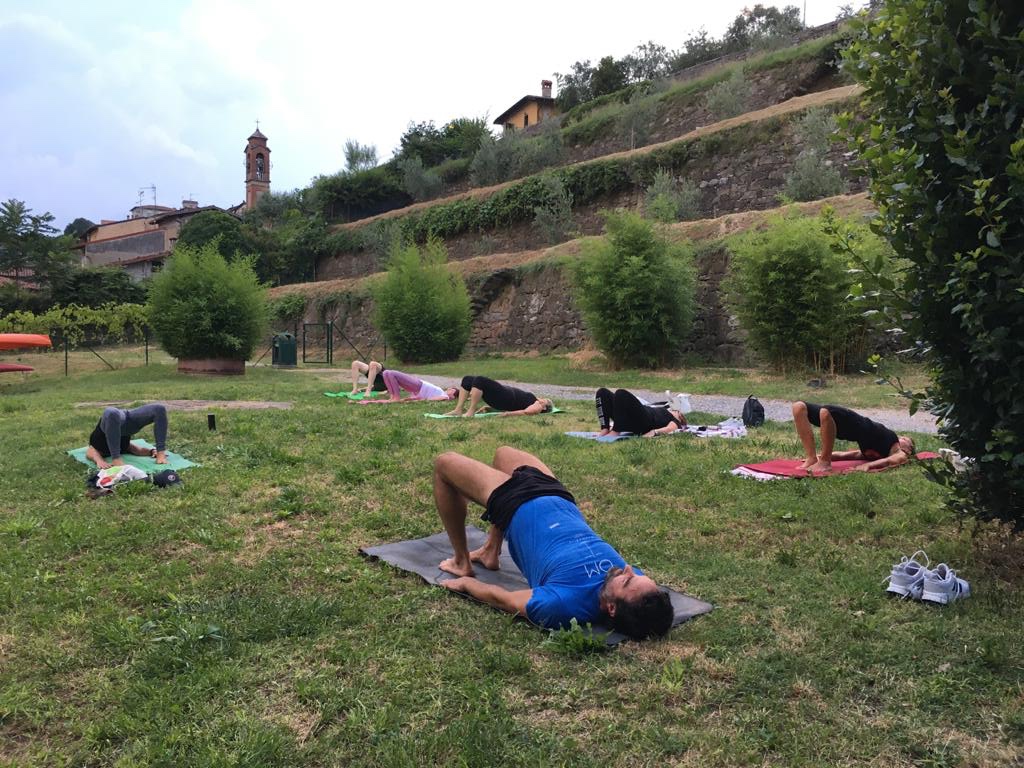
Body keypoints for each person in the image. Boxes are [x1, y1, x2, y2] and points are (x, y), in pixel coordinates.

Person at [434, 445, 674, 640]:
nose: (629, 569)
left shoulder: (561, 604)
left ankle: (461, 560)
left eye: (628, 579)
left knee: (444, 463)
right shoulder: (634, 590)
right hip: (559, 496)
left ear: (611, 608)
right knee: (503, 453)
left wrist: (466, 585)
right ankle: (491, 550)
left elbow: (502, 599)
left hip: (515, 501)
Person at [792, 401, 915, 473]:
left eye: (905, 439)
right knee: (799, 407)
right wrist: (818, 456)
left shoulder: (900, 453)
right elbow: (846, 455)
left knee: (826, 412)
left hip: (854, 431)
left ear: (909, 449)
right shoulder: (872, 452)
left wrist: (868, 466)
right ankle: (811, 458)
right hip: (862, 426)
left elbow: (889, 461)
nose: (901, 438)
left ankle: (825, 463)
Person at [85, 404, 169, 470]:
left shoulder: (100, 447)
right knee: (159, 409)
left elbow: (91, 450)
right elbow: (137, 450)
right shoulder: (124, 447)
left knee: (111, 412)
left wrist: (99, 461)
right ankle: (160, 453)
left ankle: (116, 459)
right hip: (124, 422)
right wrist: (151, 451)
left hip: (116, 418)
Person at [445, 375, 553, 417]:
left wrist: (507, 414)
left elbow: (528, 412)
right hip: (504, 397)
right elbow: (521, 407)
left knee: (480, 380)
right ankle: (458, 409)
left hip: (507, 397)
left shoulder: (538, 405)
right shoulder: (534, 401)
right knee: (467, 380)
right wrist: (492, 408)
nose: (542, 399)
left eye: (545, 400)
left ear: (544, 406)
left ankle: (470, 412)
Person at [595, 388, 687, 437]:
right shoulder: (666, 410)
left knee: (621, 393)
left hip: (644, 421)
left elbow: (670, 428)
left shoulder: (675, 420)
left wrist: (654, 432)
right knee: (602, 392)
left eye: (677, 411)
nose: (674, 410)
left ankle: (616, 430)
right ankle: (605, 428)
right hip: (635, 416)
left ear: (680, 415)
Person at [360, 369, 458, 403]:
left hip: (419, 386)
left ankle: (396, 397)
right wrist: (412, 399)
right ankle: (393, 396)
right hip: (417, 387)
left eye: (451, 389)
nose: (449, 389)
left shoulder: (444, 396)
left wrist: (415, 400)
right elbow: (426, 397)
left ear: (453, 394)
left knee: (390, 373)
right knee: (386, 373)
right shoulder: (442, 392)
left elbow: (430, 399)